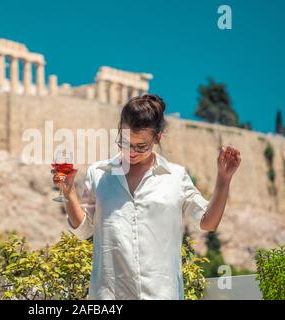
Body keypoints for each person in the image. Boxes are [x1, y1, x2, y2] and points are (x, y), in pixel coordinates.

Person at [52, 94, 241, 299]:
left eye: (141, 146)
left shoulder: (176, 177)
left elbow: (208, 223)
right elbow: (83, 231)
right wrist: (69, 193)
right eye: (123, 143)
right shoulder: (99, 173)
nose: (131, 152)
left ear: (157, 138)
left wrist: (223, 180)